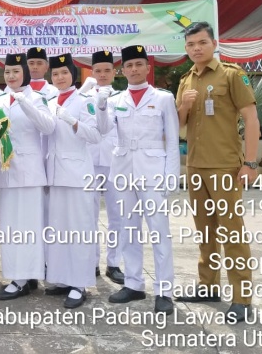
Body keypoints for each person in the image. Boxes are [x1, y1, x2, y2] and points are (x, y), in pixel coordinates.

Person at [176, 22, 260, 322]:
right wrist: (183, 106)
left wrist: (250, 163)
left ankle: (241, 297)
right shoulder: (186, 81)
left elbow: (251, 118)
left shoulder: (231, 75)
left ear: (213, 43)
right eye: (191, 45)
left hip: (225, 166)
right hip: (195, 166)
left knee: (231, 231)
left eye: (201, 42)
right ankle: (208, 286)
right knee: (206, 231)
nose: (196, 48)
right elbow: (178, 124)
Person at [97, 45, 179, 315]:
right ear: (123, 70)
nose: (133, 69)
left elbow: (172, 140)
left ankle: (164, 290)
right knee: (129, 229)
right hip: (123, 171)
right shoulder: (115, 99)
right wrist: (100, 104)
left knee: (158, 231)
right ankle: (134, 283)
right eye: (129, 65)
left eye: (138, 64)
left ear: (147, 68)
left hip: (152, 170)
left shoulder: (163, 98)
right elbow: (104, 128)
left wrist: (171, 177)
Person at [0, 53, 54, 300]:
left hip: (29, 170)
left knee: (28, 226)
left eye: (16, 71)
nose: (10, 76)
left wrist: (25, 103)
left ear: (25, 73)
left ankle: (24, 278)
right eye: (7, 72)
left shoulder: (38, 98)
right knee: (10, 225)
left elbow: (48, 127)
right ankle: (20, 276)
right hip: (6, 168)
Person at [44, 53, 101, 309]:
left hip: (78, 174)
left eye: (64, 73)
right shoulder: (48, 100)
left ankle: (79, 283)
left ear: (73, 75)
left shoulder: (85, 100)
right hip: (55, 174)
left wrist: (70, 119)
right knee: (57, 229)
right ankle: (61, 278)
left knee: (79, 229)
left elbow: (95, 135)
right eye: (55, 74)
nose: (59, 77)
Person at [85, 50, 125, 284]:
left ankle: (113, 263)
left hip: (115, 163)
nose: (102, 75)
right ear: (92, 72)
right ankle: (91, 263)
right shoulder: (84, 97)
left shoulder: (122, 97)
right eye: (98, 70)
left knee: (117, 216)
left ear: (114, 72)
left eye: (106, 70)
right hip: (89, 163)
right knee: (88, 216)